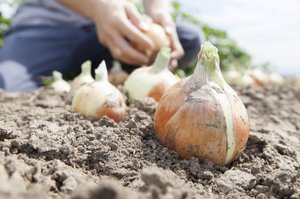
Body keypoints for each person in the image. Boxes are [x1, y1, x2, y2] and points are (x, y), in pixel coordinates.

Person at [0, 0, 203, 92]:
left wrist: (159, 13)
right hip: (44, 27)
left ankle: (116, 72)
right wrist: (98, 6)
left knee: (189, 38)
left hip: (111, 28)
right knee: (5, 84)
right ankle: (117, 72)